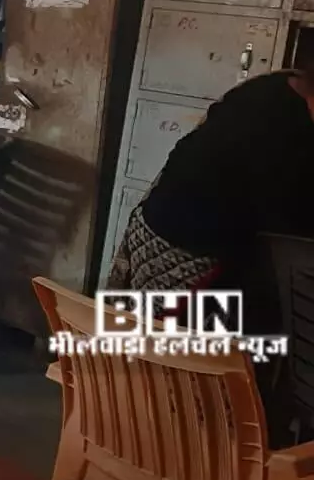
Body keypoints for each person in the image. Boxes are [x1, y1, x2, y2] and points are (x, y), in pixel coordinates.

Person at [108, 66, 314, 316]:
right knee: (153, 330)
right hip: (185, 252)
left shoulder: (273, 84)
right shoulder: (284, 132)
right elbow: (289, 218)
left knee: (135, 322)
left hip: (156, 224)